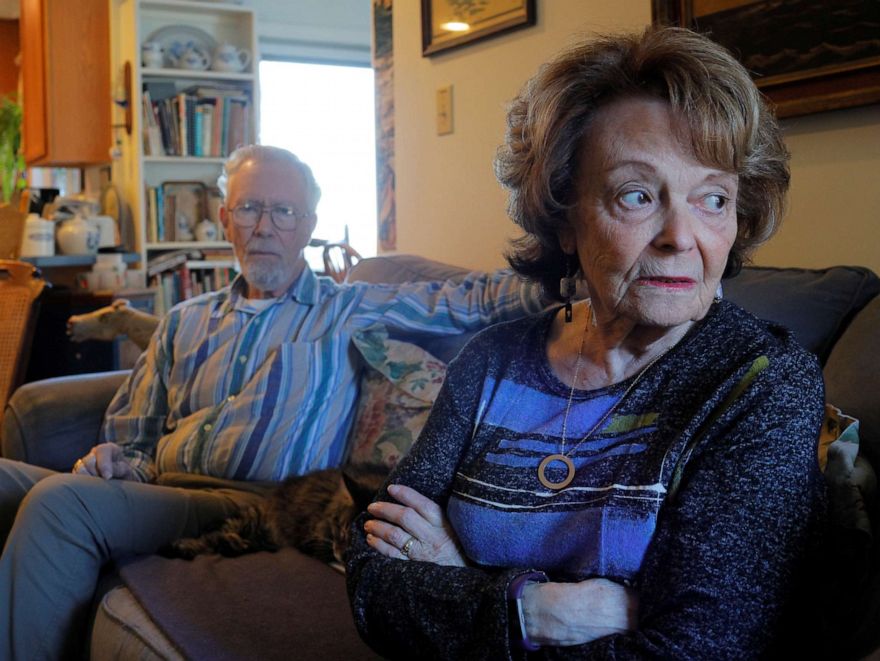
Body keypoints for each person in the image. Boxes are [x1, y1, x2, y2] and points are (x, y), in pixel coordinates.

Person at [347, 26, 826, 659]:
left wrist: (457, 577)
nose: (681, 236)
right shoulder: (492, 362)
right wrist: (535, 612)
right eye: (637, 194)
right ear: (563, 216)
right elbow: (370, 577)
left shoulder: (762, 383)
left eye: (713, 197)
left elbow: (698, 648)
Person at [0, 145, 549, 659]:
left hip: (247, 502)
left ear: (308, 227)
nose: (265, 227)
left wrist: (569, 273)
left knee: (60, 505)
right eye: (250, 209)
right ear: (224, 220)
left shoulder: (347, 308)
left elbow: (473, 302)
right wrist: (115, 460)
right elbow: (132, 438)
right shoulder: (182, 321)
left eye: (284, 211)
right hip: (150, 490)